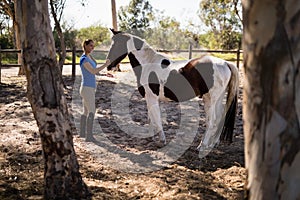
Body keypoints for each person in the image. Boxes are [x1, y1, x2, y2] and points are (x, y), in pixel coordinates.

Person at [79, 39, 111, 142]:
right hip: (86, 88)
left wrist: (105, 74)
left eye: (93, 46)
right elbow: (93, 71)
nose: (92, 48)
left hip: (90, 87)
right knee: (92, 110)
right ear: (85, 45)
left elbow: (94, 72)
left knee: (86, 111)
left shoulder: (90, 57)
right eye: (91, 46)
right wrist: (105, 65)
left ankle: (82, 133)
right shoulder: (84, 59)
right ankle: (89, 136)